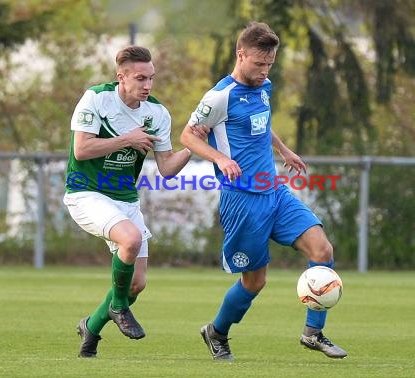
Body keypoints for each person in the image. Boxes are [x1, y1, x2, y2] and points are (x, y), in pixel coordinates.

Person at [180, 21, 347, 360]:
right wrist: (219, 158)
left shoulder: (264, 86)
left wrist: (284, 150)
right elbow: (187, 136)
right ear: (241, 55)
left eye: (269, 64)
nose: (264, 70)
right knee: (255, 282)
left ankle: (313, 332)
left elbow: (262, 124)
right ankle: (217, 332)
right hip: (241, 201)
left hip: (274, 191)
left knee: (322, 250)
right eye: (258, 63)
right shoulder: (218, 97)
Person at [63, 45, 203, 358]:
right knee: (131, 239)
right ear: (121, 77)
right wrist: (128, 139)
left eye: (151, 78)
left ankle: (91, 328)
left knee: (137, 284)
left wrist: (194, 146)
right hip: (85, 193)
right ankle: (116, 307)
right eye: (140, 78)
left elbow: (166, 169)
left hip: (125, 200)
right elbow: (82, 149)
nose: (147, 85)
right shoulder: (96, 99)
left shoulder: (157, 113)